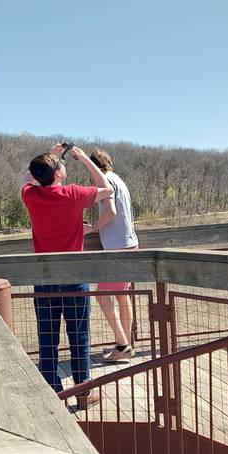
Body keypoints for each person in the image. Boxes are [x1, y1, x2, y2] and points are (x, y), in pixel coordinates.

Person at [21, 144, 114, 408]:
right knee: (79, 337)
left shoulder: (31, 195)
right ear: (59, 174)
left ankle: (52, 392)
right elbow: (107, 188)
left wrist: (51, 156)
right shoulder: (73, 194)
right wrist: (85, 159)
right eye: (61, 165)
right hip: (74, 277)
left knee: (47, 338)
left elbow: (27, 179)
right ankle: (83, 392)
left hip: (44, 277)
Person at [85, 149, 139, 362]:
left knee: (102, 296)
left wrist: (93, 228)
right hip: (129, 244)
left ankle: (123, 345)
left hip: (118, 248)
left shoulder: (105, 181)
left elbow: (111, 213)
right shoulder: (117, 178)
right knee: (122, 297)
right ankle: (125, 344)